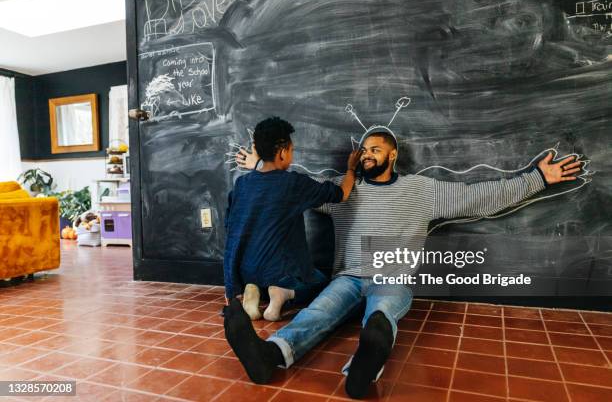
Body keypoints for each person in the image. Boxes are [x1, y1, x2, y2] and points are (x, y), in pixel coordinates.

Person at [224, 127, 582, 398]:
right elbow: (293, 189)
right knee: (317, 313)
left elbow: (479, 197)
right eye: (363, 150)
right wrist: (261, 166)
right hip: (348, 278)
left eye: (375, 149)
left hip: (392, 280)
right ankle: (270, 354)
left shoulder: (422, 190)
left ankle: (364, 367)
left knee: (382, 314)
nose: (366, 155)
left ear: (392, 155)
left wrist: (537, 178)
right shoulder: (345, 189)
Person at [224, 117, 362, 321]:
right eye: (292, 150)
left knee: (261, 273)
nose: (292, 154)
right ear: (282, 153)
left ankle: (253, 293)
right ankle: (283, 295)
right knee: (320, 283)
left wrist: (232, 288)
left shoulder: (242, 184)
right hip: (279, 272)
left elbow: (230, 227)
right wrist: (351, 168)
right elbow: (341, 194)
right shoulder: (294, 184)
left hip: (245, 272)